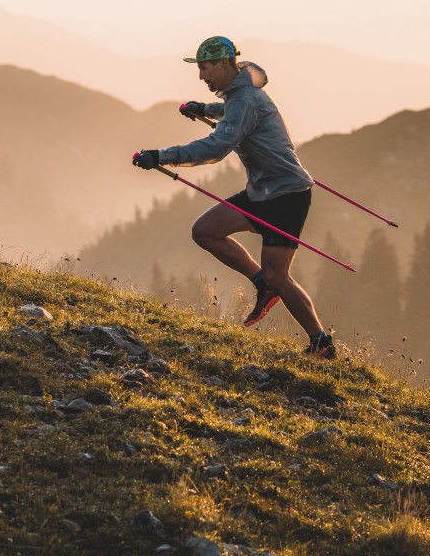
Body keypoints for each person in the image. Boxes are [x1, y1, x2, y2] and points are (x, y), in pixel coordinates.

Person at [132, 36, 336, 359]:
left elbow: (215, 148)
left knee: (278, 274)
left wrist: (161, 156)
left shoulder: (246, 99)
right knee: (205, 231)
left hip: (287, 196)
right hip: (262, 192)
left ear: (227, 64)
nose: (202, 77)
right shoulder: (239, 94)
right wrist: (204, 109)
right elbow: (231, 109)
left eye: (206, 68)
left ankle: (321, 343)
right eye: (199, 69)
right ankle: (262, 285)